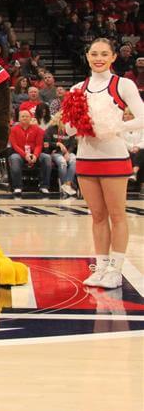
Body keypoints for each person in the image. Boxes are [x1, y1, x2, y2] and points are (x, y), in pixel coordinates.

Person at [65, 39, 144, 289]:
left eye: (104, 54)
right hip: (86, 159)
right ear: (87, 56)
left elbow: (142, 117)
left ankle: (115, 270)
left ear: (112, 58)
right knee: (97, 216)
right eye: (94, 53)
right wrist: (72, 123)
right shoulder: (77, 88)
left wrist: (118, 126)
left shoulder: (123, 85)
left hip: (114, 157)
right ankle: (100, 267)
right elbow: (68, 128)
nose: (98, 58)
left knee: (117, 215)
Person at [8, 109, 52, 195]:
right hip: (20, 154)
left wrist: (35, 155)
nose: (25, 118)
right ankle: (17, 187)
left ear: (31, 118)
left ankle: (44, 186)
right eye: (22, 116)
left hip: (34, 153)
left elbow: (39, 145)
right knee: (14, 158)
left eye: (27, 116)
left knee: (47, 157)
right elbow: (15, 145)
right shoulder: (13, 129)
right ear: (19, 118)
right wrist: (25, 155)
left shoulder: (37, 129)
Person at [43, 112, 78, 197]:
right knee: (62, 162)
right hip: (55, 152)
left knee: (74, 160)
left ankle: (68, 184)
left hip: (67, 152)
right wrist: (57, 144)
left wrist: (68, 153)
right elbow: (46, 143)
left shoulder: (70, 130)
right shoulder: (50, 129)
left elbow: (73, 144)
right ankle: (63, 185)